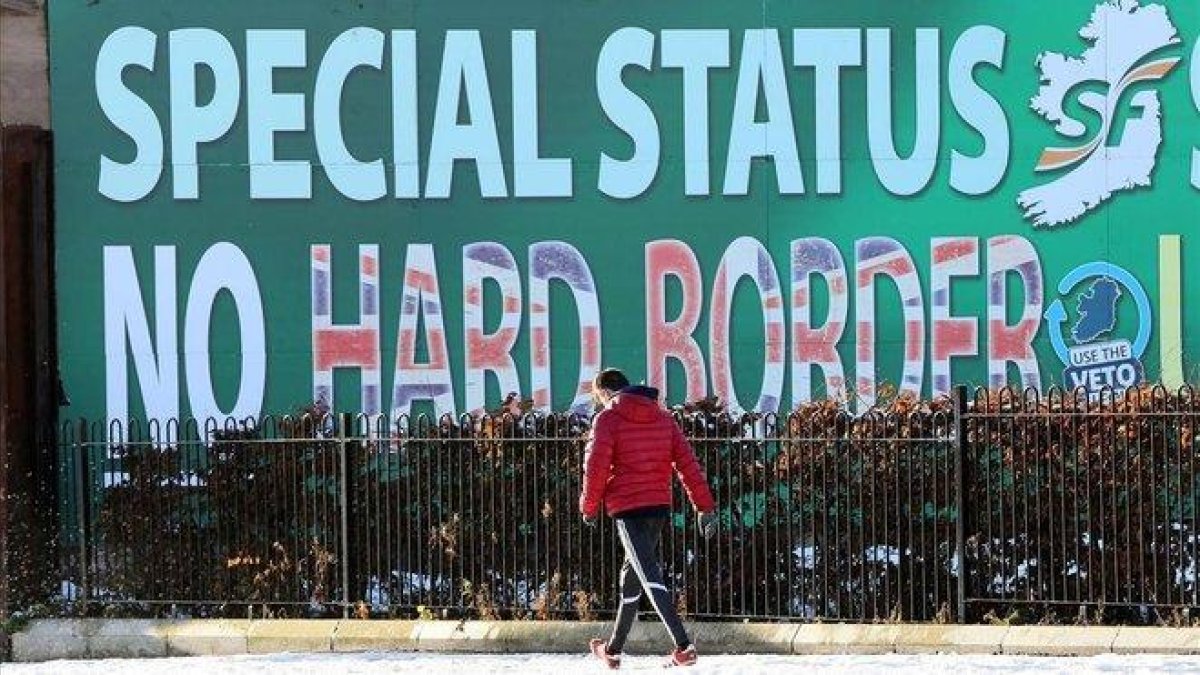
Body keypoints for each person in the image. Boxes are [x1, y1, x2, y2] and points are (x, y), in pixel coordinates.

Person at [579, 368, 718, 669]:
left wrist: (588, 508)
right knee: (632, 577)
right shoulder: (663, 418)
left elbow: (596, 469)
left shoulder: (607, 420)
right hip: (657, 505)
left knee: (648, 574)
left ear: (604, 392)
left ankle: (684, 645)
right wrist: (705, 507)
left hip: (627, 510)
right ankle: (613, 650)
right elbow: (687, 464)